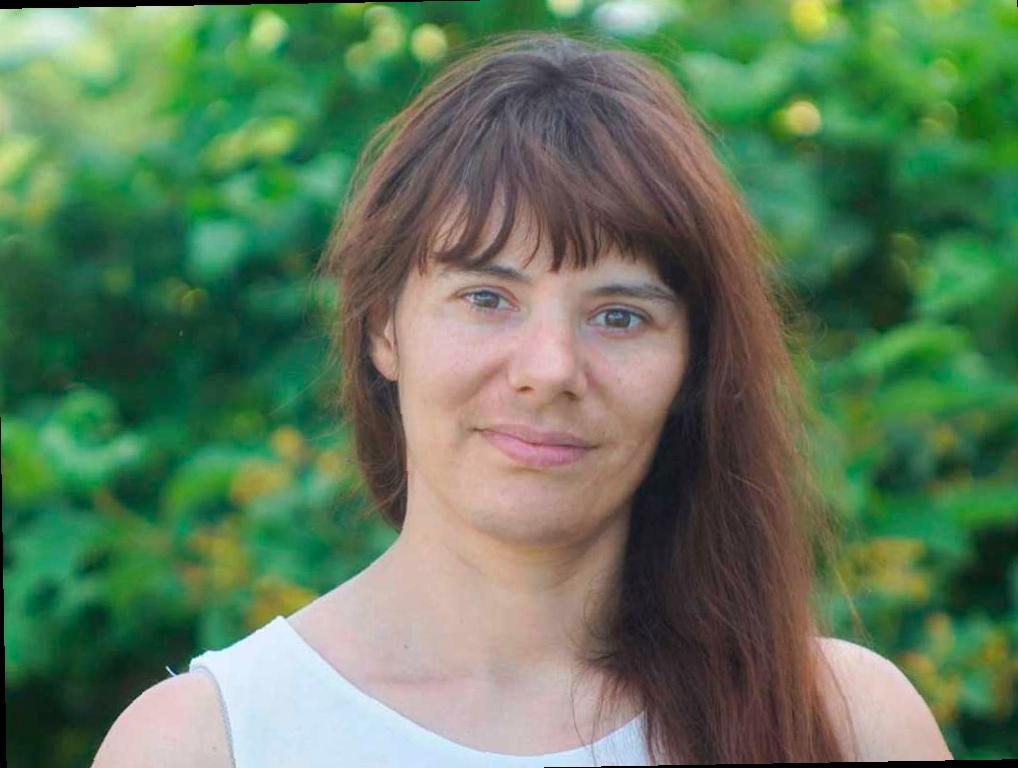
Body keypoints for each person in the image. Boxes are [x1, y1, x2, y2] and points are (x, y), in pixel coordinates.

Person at [92, 31, 954, 766]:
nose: (550, 369)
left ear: (693, 364)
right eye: (486, 297)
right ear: (382, 328)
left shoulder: (845, 724)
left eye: (619, 315)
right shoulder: (209, 741)